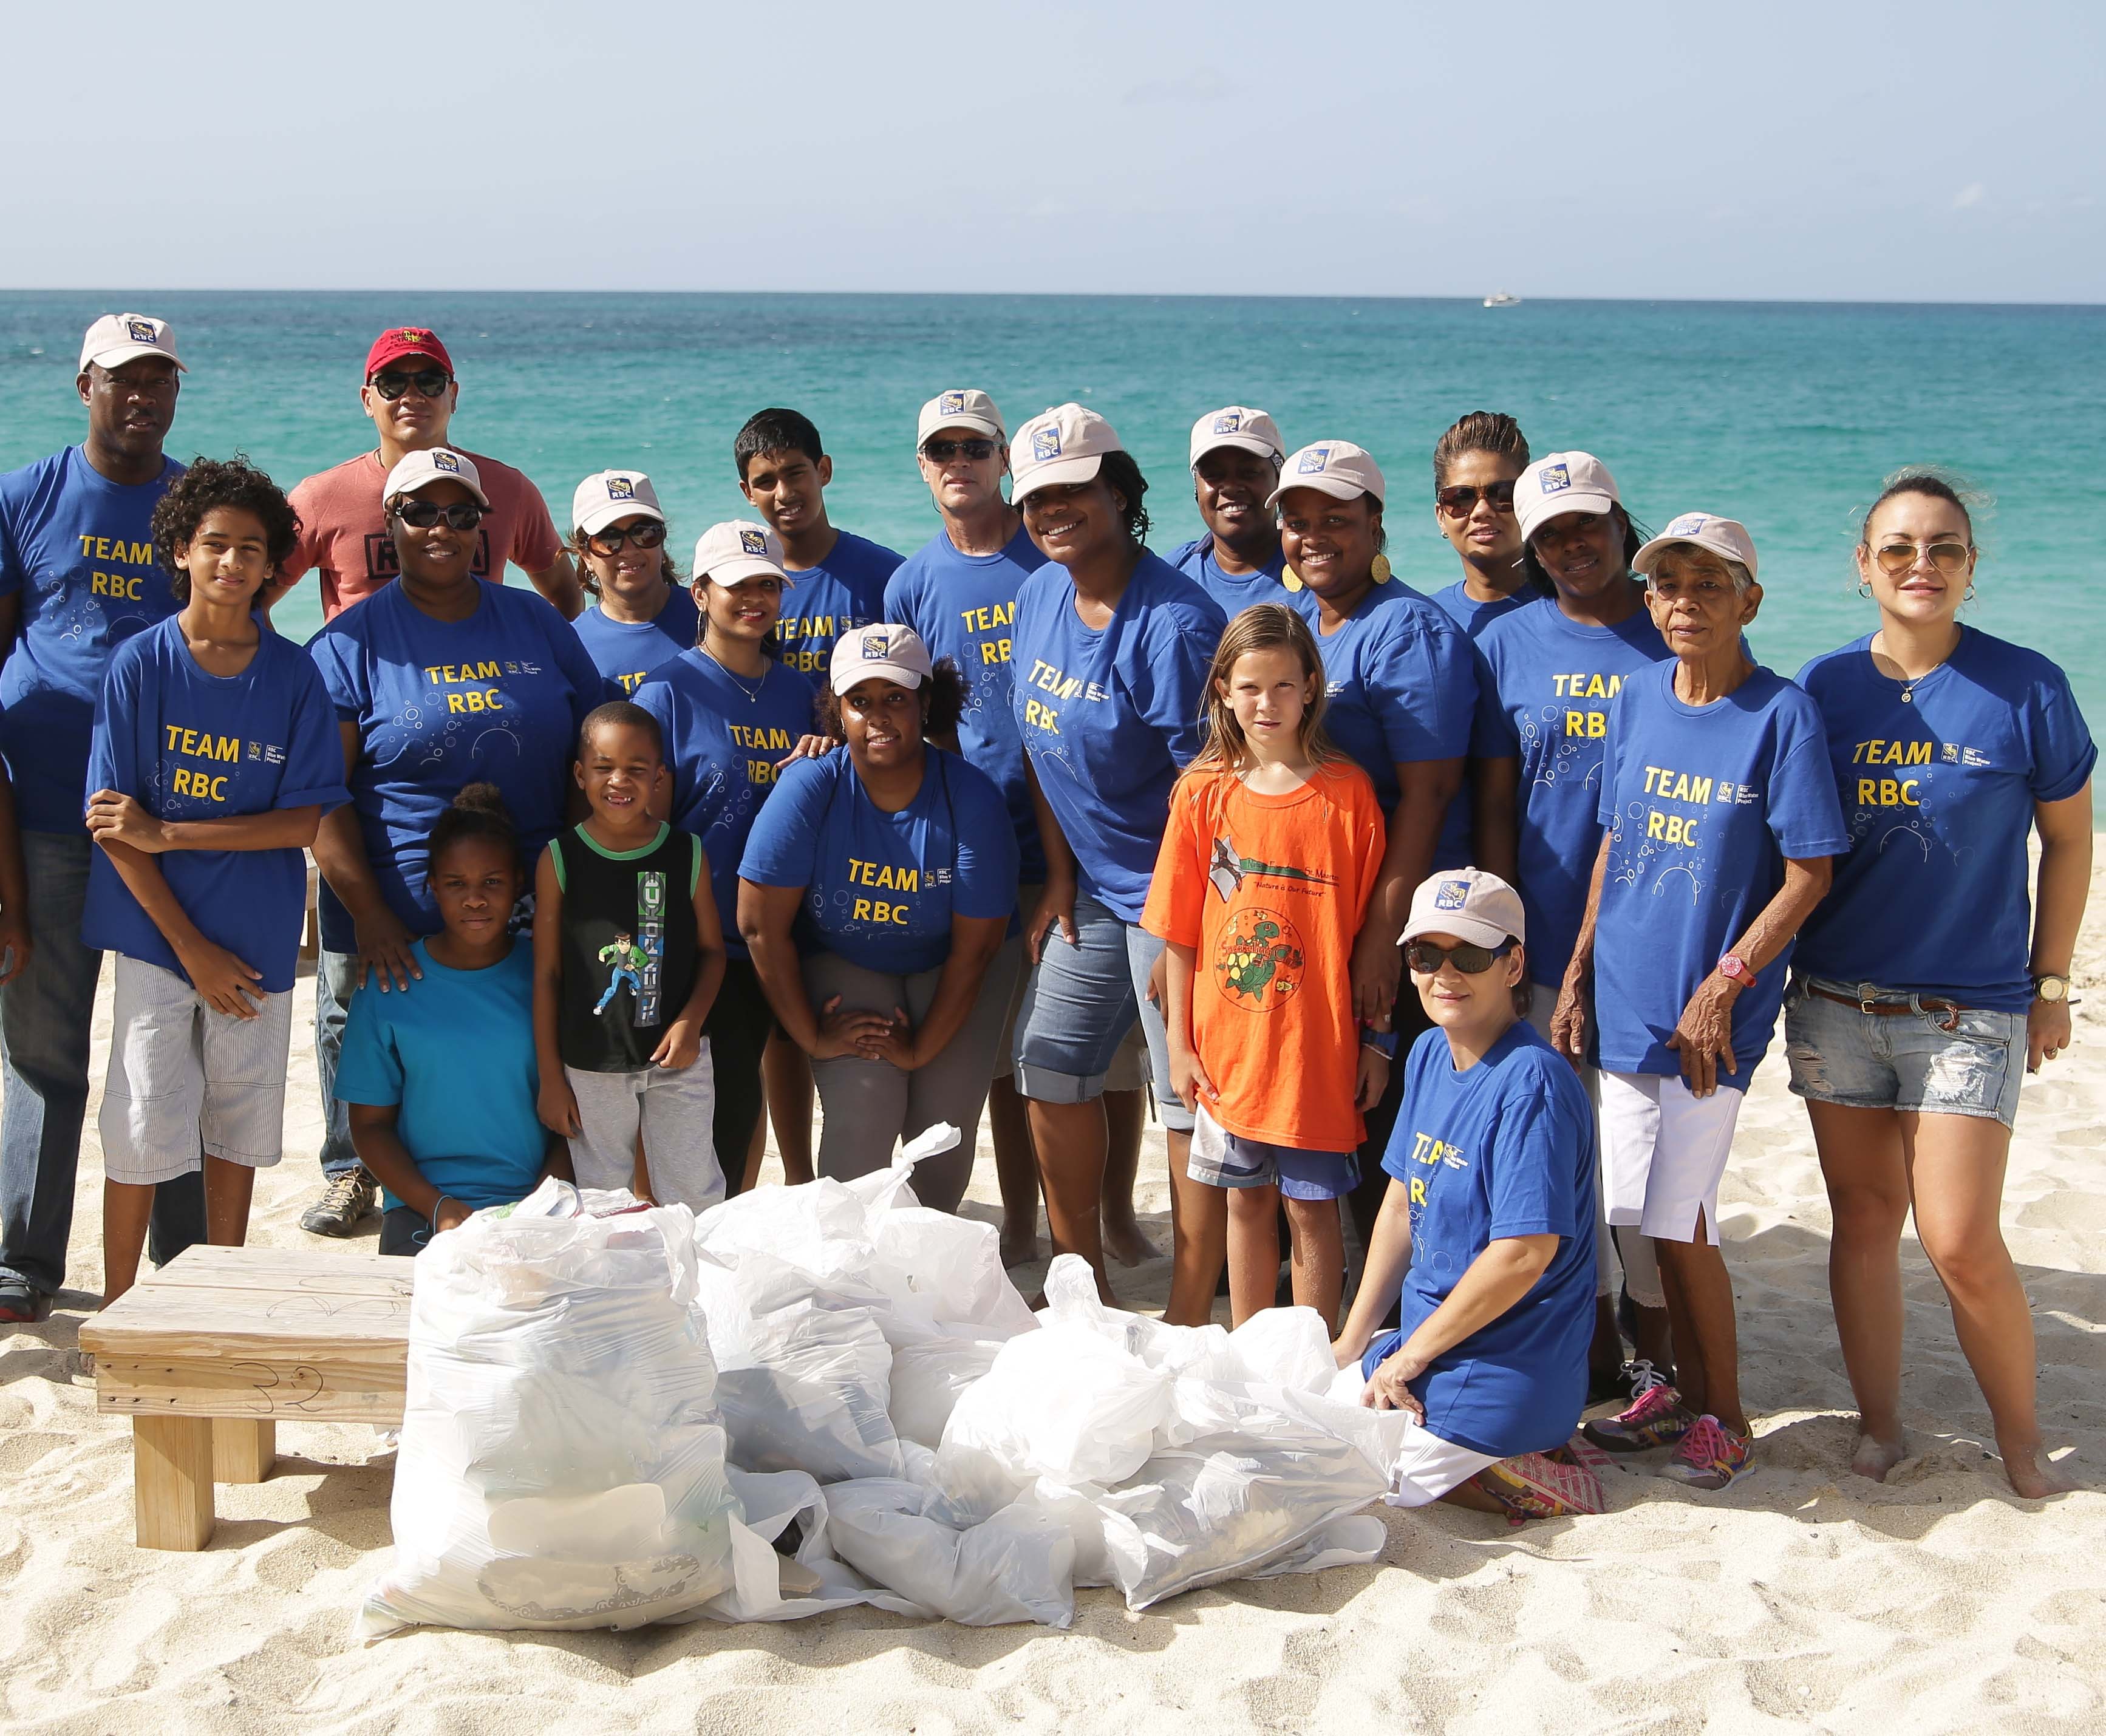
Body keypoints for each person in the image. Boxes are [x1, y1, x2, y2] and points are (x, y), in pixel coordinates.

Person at [1790, 472, 2093, 1499]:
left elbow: (2064, 837)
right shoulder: (1822, 689)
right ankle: (1878, 1423)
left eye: (1943, 548)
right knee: (1864, 1218)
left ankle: (2018, 1437)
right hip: (1834, 1000)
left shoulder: (2027, 686)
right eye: (1897, 548)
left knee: (1959, 1236)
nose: (1920, 565)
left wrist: (2049, 979)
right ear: (1861, 565)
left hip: (1967, 1006)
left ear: (1969, 564)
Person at [1553, 514, 1847, 1491]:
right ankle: (1669, 1383)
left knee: (1681, 1218)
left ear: (1749, 600)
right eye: (1666, 583)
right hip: (1627, 994)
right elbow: (1611, 837)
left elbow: (1809, 870)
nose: (1683, 599)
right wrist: (1579, 969)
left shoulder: (1781, 716)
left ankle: (1727, 1413)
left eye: (1708, 583)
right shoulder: (1636, 697)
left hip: (1710, 1016)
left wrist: (1727, 982)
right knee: (1633, 1214)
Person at [302, 448, 608, 1237]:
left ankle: (527, 1198)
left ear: (483, 527)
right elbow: (320, 796)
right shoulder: (349, 643)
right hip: (395, 917)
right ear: (390, 523)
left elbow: (594, 750)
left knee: (523, 1065)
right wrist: (368, 910)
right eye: (421, 511)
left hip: (530, 905)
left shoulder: (537, 620)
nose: (442, 527)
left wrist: (575, 873)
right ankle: (361, 1179)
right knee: (371, 1054)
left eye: (461, 513)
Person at [882, 389, 1150, 1264]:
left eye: (975, 445)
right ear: (923, 465)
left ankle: (1113, 1214)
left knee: (1106, 1060)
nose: (958, 460)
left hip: (1082, 852)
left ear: (1004, 458)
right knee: (1008, 1055)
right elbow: (915, 719)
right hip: (982, 846)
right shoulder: (911, 581)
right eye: (941, 448)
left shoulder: (1054, 553)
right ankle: (1024, 1222)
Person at [82, 457, 349, 1304]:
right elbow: (115, 829)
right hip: (156, 935)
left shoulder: (295, 673)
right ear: (180, 552)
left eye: (250, 549)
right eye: (214, 545)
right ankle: (122, 1307)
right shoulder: (141, 665)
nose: (231, 563)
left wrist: (171, 830)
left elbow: (300, 820)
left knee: (236, 1124)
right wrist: (187, 945)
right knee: (142, 1119)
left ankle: (219, 1296)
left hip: (260, 934)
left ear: (276, 565)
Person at [0, 313, 204, 1321]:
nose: (142, 396)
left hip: (167, 822)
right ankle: (23, 1261)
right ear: (85, 384)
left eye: (159, 379)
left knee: (168, 1044)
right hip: (44, 812)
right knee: (42, 1048)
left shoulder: (197, 503)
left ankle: (184, 1261)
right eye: (124, 379)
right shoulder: (27, 495)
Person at [1007, 403, 1227, 1318]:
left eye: (1075, 489)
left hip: (1181, 893)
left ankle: (1186, 1297)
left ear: (1119, 491)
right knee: (1047, 1061)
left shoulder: (1174, 623)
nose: (1055, 508)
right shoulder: (1038, 595)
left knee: (1183, 1098)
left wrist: (1177, 929)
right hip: (1092, 886)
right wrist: (1059, 874)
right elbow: (1041, 747)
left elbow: (1211, 792)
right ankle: (1080, 1278)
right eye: (1038, 495)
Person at [1476, 451, 1675, 1397]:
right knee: (1567, 1156)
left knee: (1646, 1168)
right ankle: (1594, 1345)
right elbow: (1495, 802)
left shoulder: (1674, 629)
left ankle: (1664, 1349)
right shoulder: (1509, 640)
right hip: (1544, 934)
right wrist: (1502, 937)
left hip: (1659, 943)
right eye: (1549, 531)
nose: (1571, 545)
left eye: (1586, 525)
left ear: (1619, 523)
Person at [1332, 868, 1605, 1520]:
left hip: (1504, 1361)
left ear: (1514, 967)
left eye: (1471, 955)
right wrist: (1355, 1338)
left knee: (1360, 1486)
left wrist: (1409, 1360)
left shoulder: (1530, 1083)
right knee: (1307, 1410)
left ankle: (1528, 1469)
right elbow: (1402, 1202)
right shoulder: (1428, 1051)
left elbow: (1522, 1255)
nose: (1445, 974)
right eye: (1427, 955)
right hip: (1426, 1343)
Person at [1145, 605, 1388, 1329]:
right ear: (1222, 689)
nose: (1267, 703)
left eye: (1284, 686)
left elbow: (1373, 938)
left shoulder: (1348, 796)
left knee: (1312, 1210)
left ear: (1313, 686)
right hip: (1226, 1054)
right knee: (1246, 1202)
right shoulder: (1202, 791)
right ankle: (1253, 1348)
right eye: (1250, 687)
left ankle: (1310, 1355)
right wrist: (1182, 1049)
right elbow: (1180, 936)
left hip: (1318, 1052)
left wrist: (1377, 1042)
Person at [1271, 441, 1476, 1279]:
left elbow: (1426, 798)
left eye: (1336, 520)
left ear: (1376, 524)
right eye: (1299, 520)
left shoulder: (1409, 630)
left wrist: (1382, 941)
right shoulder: (1309, 624)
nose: (1314, 536)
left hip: (1404, 921)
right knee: (1345, 1115)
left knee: (1395, 1129)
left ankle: (1408, 1311)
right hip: (1330, 914)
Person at [738, 626, 1018, 1208]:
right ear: (838, 712)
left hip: (952, 963)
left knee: (940, 1135)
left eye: (895, 697)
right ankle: (843, 1278)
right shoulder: (809, 786)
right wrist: (814, 1037)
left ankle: (918, 1278)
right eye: (859, 701)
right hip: (848, 957)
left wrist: (919, 1051)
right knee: (865, 1107)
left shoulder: (972, 798)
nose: (879, 716)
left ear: (925, 702)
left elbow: (977, 952)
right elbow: (760, 926)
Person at [733, 408, 904, 1194]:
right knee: (780, 1006)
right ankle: (799, 1176)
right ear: (746, 492)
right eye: (764, 481)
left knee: (850, 996)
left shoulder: (880, 576)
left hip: (866, 819)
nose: (782, 492)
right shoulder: (746, 585)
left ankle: (864, 1167)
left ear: (824, 471)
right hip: (772, 821)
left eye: (794, 473)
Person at [633, 522, 815, 1193]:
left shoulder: (804, 695)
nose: (755, 598)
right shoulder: (667, 692)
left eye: (768, 584)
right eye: (738, 585)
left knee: (746, 1102)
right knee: (697, 1113)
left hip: (788, 935)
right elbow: (644, 836)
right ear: (700, 593)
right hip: (702, 941)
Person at [335, 786, 570, 1256]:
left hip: (539, 1206)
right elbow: (369, 1127)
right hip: (423, 1211)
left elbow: (580, 1113)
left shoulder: (550, 976)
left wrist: (542, 1200)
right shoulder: (389, 986)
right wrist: (437, 1205)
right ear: (433, 885)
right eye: (457, 883)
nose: (475, 899)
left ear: (520, 883)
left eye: (493, 882)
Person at [533, 702, 726, 1210]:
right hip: (593, 1065)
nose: (620, 780)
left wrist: (691, 1024)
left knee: (694, 1196)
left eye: (637, 769)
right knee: (604, 1202)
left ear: (660, 777)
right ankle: (617, 1292)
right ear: (580, 774)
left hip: (678, 1061)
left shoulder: (687, 853)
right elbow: (547, 974)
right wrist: (552, 1078)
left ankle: (698, 1289)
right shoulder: (559, 859)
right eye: (603, 767)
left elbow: (713, 953)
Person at [262, 326, 581, 622]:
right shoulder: (321, 498)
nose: (412, 397)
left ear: (453, 396)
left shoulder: (509, 489)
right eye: (392, 384)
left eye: (430, 383)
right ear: (367, 401)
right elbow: (254, 601)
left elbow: (565, 593)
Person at [568, 471, 700, 695]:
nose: (629, 551)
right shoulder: (573, 644)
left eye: (644, 533)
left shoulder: (709, 617)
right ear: (586, 555)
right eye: (609, 539)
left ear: (662, 538)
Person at [1167, 407, 1289, 614]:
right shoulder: (1172, 575)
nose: (1231, 487)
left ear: (1279, 479)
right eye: (1214, 475)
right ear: (1197, 489)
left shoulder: (1315, 571)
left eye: (1249, 472)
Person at [1427, 412, 1536, 638]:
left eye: (1502, 494)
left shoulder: (1572, 608)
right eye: (1460, 498)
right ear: (1441, 517)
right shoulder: (1427, 622)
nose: (1482, 511)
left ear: (1527, 502)